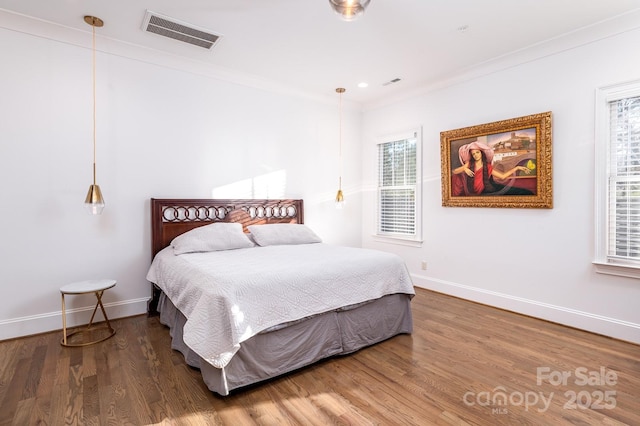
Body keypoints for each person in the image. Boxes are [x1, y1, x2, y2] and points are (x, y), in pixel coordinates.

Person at [451, 141, 532, 196]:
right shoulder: (469, 164)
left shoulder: (488, 166)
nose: (475, 155)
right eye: (473, 154)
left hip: (486, 189)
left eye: (477, 152)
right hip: (476, 191)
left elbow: (502, 176)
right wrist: (465, 169)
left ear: (481, 153)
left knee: (523, 192)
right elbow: (454, 171)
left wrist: (517, 168)